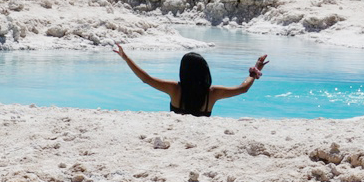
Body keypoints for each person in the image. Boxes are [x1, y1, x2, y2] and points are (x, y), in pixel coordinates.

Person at [113, 45, 267, 116]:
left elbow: (146, 79)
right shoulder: (212, 93)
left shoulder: (175, 89)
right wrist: (254, 70)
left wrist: (126, 58)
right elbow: (243, 88)